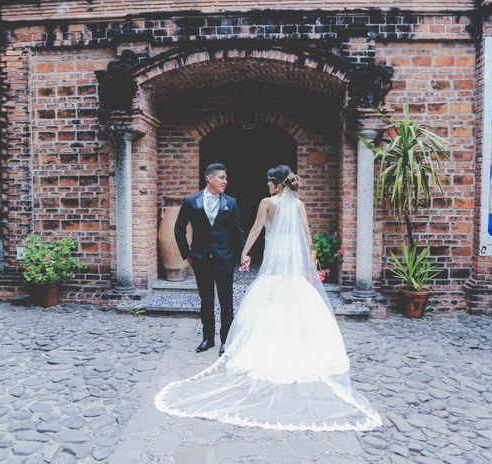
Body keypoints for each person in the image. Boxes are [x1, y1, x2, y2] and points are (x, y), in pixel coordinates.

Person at [158, 165, 382, 432]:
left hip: (262, 260)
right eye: (222, 177)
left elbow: (252, 230)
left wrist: (243, 253)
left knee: (247, 300)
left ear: (276, 183)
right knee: (281, 297)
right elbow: (307, 234)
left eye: (268, 182)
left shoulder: (262, 203)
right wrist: (312, 260)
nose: (265, 186)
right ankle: (215, 338)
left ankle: (232, 343)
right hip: (283, 261)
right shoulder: (297, 205)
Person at [174, 163, 247, 357]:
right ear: (209, 178)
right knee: (205, 300)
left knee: (226, 302)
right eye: (222, 177)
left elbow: (238, 232)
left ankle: (225, 341)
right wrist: (187, 254)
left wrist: (243, 254)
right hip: (201, 259)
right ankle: (208, 339)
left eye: (225, 178)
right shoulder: (191, 201)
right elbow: (179, 229)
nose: (225, 181)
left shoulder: (231, 203)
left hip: (224, 259)